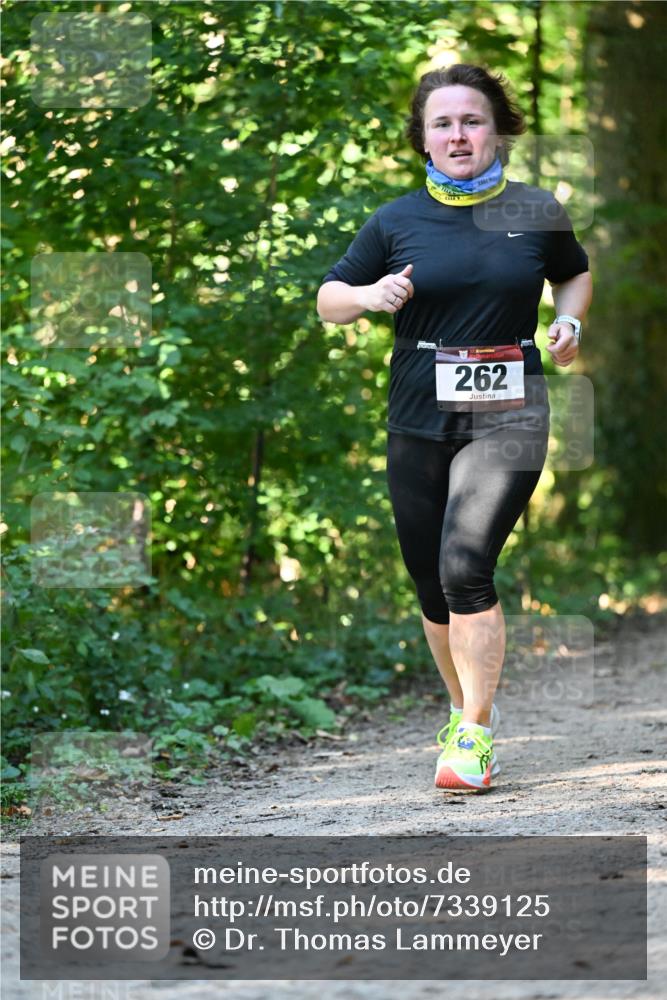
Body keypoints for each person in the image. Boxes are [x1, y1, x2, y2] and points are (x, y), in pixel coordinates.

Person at [316, 64, 592, 792]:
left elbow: (573, 273)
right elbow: (328, 300)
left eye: (471, 119)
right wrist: (369, 295)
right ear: (423, 139)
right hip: (416, 413)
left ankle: (473, 733)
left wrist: (566, 320)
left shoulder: (536, 208)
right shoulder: (395, 220)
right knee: (428, 581)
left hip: (509, 408)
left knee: (465, 564)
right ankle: (460, 709)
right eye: (443, 123)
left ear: (497, 128)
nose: (458, 134)